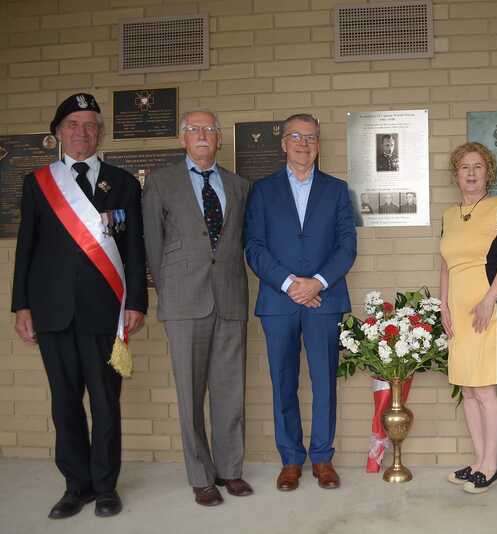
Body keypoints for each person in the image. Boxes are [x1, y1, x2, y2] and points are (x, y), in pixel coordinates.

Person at [11, 93, 147, 519]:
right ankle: (77, 486)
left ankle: (106, 486)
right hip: (52, 312)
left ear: (100, 133)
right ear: (57, 132)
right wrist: (22, 306)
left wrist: (136, 302)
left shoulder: (122, 182)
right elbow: (26, 249)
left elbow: (134, 247)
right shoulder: (38, 183)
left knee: (106, 402)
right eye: (72, 124)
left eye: (90, 125)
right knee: (64, 401)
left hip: (104, 311)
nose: (82, 132)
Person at [142, 110, 253, 507]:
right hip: (184, 301)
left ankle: (230, 470)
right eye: (194, 129)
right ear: (182, 137)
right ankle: (201, 476)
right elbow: (152, 247)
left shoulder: (239, 186)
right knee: (190, 392)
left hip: (229, 298)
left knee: (230, 389)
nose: (202, 135)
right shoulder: (160, 182)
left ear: (219, 139)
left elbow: (239, 242)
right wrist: (171, 291)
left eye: (209, 129)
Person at [245, 113, 357, 491]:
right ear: (283, 143)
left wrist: (318, 283)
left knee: (324, 381)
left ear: (318, 144)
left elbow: (346, 247)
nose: (303, 143)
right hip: (279, 301)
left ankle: (322, 458)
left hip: (324, 299)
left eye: (310, 137)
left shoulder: (338, 189)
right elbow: (255, 247)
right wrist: (291, 283)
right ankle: (291, 459)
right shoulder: (261, 190)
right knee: (283, 382)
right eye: (295, 136)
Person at [440, 142, 497, 493]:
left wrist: (489, 301)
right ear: (456, 174)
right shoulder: (448, 215)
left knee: (485, 390)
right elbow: (445, 264)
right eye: (464, 167)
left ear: (488, 172)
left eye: (478, 166)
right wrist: (443, 304)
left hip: (491, 309)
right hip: (458, 311)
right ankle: (477, 460)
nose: (471, 173)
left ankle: (491, 465)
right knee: (468, 391)